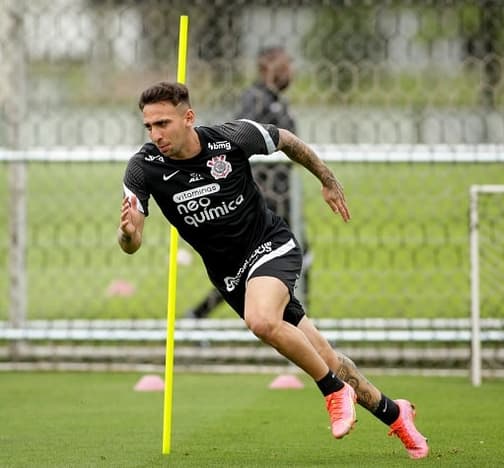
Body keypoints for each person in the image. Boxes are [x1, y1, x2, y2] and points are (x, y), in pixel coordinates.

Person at [118, 81, 429, 459]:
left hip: (270, 245)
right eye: (149, 126)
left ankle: (333, 391)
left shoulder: (230, 138)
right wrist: (129, 234)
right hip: (230, 275)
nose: (156, 134)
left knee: (262, 321)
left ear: (188, 117)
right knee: (327, 358)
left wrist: (327, 180)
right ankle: (396, 414)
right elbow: (131, 241)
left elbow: (286, 140)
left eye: (163, 123)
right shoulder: (143, 167)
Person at [185, 45, 310, 319]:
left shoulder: (276, 100)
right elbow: (239, 147)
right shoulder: (255, 101)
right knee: (249, 266)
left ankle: (300, 324)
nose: (291, 71)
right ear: (267, 66)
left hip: (282, 194)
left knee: (294, 257)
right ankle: (197, 315)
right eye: (285, 64)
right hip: (264, 198)